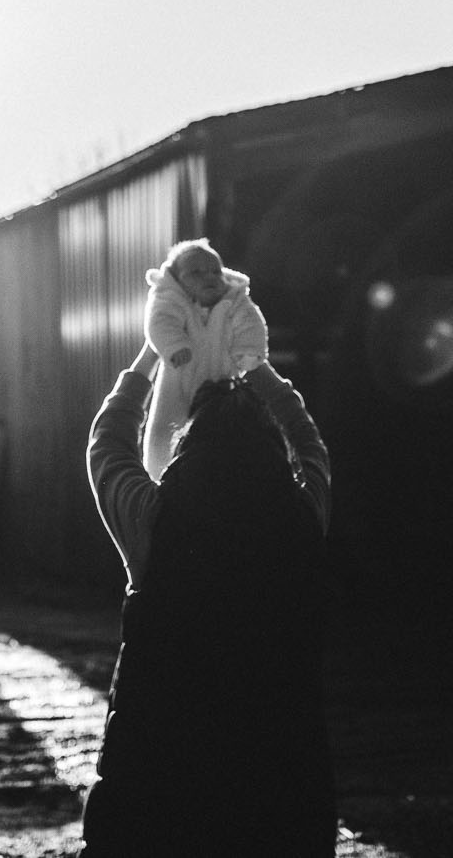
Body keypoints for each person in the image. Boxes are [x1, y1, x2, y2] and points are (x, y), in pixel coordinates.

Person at [80, 340, 336, 857]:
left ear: (186, 444)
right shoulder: (305, 516)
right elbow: (311, 445)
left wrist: (150, 357)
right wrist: (256, 364)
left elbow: (106, 447)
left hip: (158, 780)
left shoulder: (153, 523)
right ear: (273, 449)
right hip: (282, 783)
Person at [141, 238, 270, 481]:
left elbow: (251, 323)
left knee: (228, 435)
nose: (208, 277)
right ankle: (163, 476)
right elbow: (159, 321)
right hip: (180, 380)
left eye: (215, 271)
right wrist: (173, 344)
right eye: (196, 273)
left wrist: (249, 350)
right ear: (177, 280)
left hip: (224, 383)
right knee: (167, 434)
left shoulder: (235, 299)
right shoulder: (170, 297)